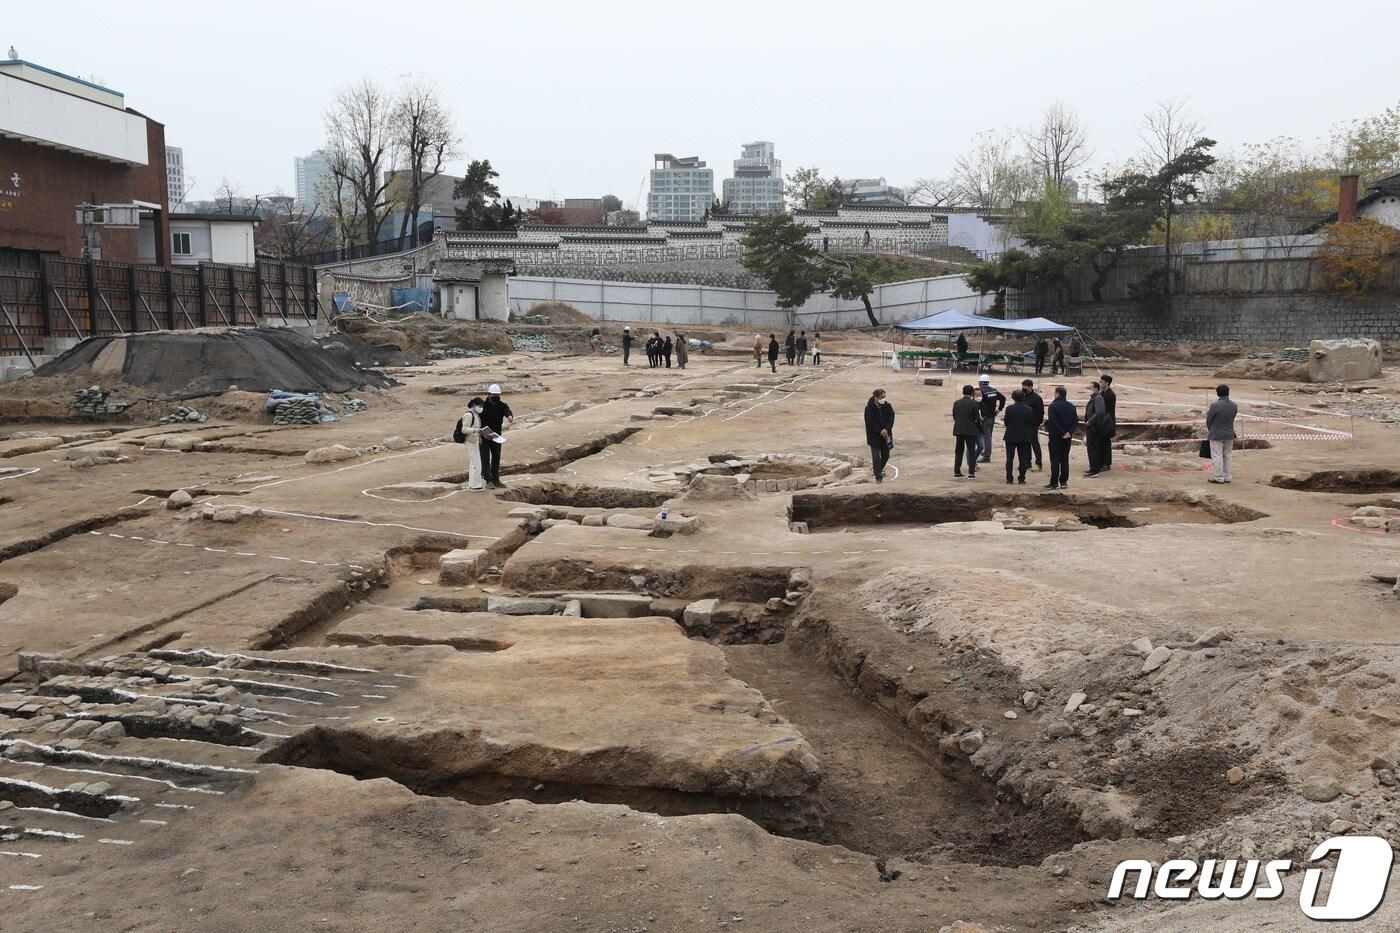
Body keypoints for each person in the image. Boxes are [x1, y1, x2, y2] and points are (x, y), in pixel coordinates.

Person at [480, 383, 513, 489]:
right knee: (485, 458)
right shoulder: (483, 405)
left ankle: (496, 479)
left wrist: (509, 416)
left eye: (498, 395)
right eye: (494, 395)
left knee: (496, 457)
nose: (496, 397)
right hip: (484, 435)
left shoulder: (502, 405)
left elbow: (507, 411)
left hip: (496, 435)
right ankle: (488, 480)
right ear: (489, 394)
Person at [1045, 386, 1077, 490]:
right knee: (1064, 459)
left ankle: (1054, 482)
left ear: (1058, 394)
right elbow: (1075, 421)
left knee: (1055, 460)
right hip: (1067, 437)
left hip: (1055, 437)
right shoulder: (1071, 406)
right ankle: (1063, 481)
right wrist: (1069, 432)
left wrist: (1062, 433)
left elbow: (1053, 422)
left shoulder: (1053, 406)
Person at [1002, 389, 1036, 485]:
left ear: (1013, 398)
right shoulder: (1029, 409)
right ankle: (1021, 478)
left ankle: (1009, 478)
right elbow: (1031, 422)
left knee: (1009, 458)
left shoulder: (1009, 408)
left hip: (1010, 435)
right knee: (1023, 459)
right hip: (1024, 436)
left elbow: (1006, 422)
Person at [1206, 384, 1238, 484]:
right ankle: (1227, 476)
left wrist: (1211, 429)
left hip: (1216, 433)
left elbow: (1209, 420)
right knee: (1228, 455)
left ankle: (1219, 477)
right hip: (1229, 433)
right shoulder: (1234, 405)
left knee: (1217, 456)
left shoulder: (1214, 405)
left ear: (1217, 393)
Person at [864, 388, 895, 483]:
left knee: (886, 455)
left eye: (884, 397)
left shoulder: (887, 406)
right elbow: (870, 422)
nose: (883, 399)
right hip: (874, 437)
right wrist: (879, 431)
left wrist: (886, 429)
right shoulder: (869, 409)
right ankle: (878, 476)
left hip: (886, 435)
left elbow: (891, 417)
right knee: (876, 457)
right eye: (881, 397)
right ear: (875, 397)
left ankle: (878, 470)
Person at [952, 384, 982, 479]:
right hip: (970, 430)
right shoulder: (974, 404)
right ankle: (971, 473)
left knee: (958, 451)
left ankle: (957, 472)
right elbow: (977, 418)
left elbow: (955, 416)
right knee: (971, 451)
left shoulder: (956, 403)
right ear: (972, 393)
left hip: (959, 429)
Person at [459, 397, 487, 491]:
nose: (481, 408)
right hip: (471, 441)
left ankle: (472, 483)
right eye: (480, 406)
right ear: (474, 405)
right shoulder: (469, 415)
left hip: (474, 440)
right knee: (476, 463)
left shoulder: (475, 414)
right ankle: (475, 485)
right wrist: (476, 430)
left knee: (473, 463)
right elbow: (464, 429)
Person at [976, 374, 1004, 464]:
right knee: (988, 436)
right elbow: (1003, 398)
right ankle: (986, 452)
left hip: (984, 418)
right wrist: (999, 410)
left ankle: (987, 456)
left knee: (986, 437)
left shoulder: (981, 392)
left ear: (980, 382)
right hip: (992, 417)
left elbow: (976, 404)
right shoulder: (994, 391)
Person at [1083, 381, 1107, 478]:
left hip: (1094, 427)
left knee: (1094, 448)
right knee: (1091, 448)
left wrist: (1090, 421)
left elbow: (1099, 412)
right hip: (1091, 426)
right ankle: (1092, 468)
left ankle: (1095, 469)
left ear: (1096, 389)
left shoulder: (1098, 398)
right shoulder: (1094, 398)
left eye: (1091, 388)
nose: (1089, 390)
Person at [1020, 379, 1045, 472]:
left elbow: (1040, 412)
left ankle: (1038, 463)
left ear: (1030, 387)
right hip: (1024, 425)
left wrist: (1037, 423)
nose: (1023, 388)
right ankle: (1027, 463)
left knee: (1034, 444)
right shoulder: (1022, 396)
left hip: (1033, 424)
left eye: (1025, 387)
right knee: (1026, 444)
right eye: (1022, 386)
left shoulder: (1036, 398)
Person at [1099, 374, 1117, 471]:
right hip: (1102, 422)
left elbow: (1108, 410)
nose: (1100, 383)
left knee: (1106, 444)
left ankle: (1106, 463)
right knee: (1102, 443)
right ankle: (1102, 462)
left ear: (1107, 383)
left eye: (1102, 382)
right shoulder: (1102, 393)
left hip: (1107, 423)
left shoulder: (1110, 395)